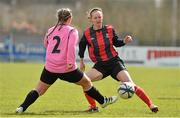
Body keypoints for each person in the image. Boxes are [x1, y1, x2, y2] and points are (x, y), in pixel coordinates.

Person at [15, 8, 118, 113]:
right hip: (66, 68)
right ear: (70, 18)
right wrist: (70, 62)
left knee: (39, 90)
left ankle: (21, 108)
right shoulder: (72, 31)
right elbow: (71, 48)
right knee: (86, 83)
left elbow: (46, 45)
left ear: (59, 18)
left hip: (50, 67)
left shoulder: (51, 30)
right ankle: (103, 101)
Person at [78, 7, 159, 113]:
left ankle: (151, 105)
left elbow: (116, 42)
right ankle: (93, 107)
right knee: (84, 81)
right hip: (100, 65)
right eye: (96, 17)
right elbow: (82, 46)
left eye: (100, 17)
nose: (98, 19)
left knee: (131, 84)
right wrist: (81, 60)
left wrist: (124, 41)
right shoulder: (87, 33)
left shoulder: (109, 29)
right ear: (91, 19)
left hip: (114, 62)